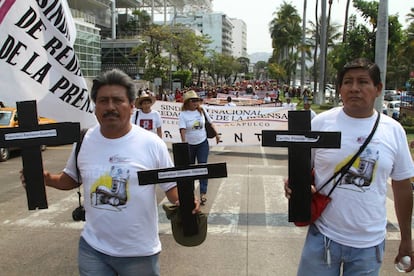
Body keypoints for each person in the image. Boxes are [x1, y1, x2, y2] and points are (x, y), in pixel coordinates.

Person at [21, 69, 199, 276]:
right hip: (93, 249)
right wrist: (46, 179)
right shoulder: (83, 140)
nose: (110, 107)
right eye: (103, 101)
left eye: (118, 100)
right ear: (95, 106)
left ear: (132, 106)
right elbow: (71, 179)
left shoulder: (151, 144)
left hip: (139, 253)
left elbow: (170, 186)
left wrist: (185, 200)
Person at [285, 58, 414, 275]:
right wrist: (295, 186)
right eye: (348, 82)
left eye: (363, 82)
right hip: (323, 238)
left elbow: (402, 187)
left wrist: (406, 238)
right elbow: (302, 170)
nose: (354, 88)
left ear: (378, 89)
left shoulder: (393, 130)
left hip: (369, 246)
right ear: (339, 88)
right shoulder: (321, 124)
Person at [178, 90, 220, 205]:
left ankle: (203, 192)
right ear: (187, 102)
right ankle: (191, 194)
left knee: (202, 167)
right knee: (190, 170)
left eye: (197, 100)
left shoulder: (202, 111)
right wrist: (184, 144)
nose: (196, 103)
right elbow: (182, 130)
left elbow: (211, 123)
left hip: (202, 143)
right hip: (190, 145)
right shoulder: (183, 114)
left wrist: (217, 134)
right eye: (193, 101)